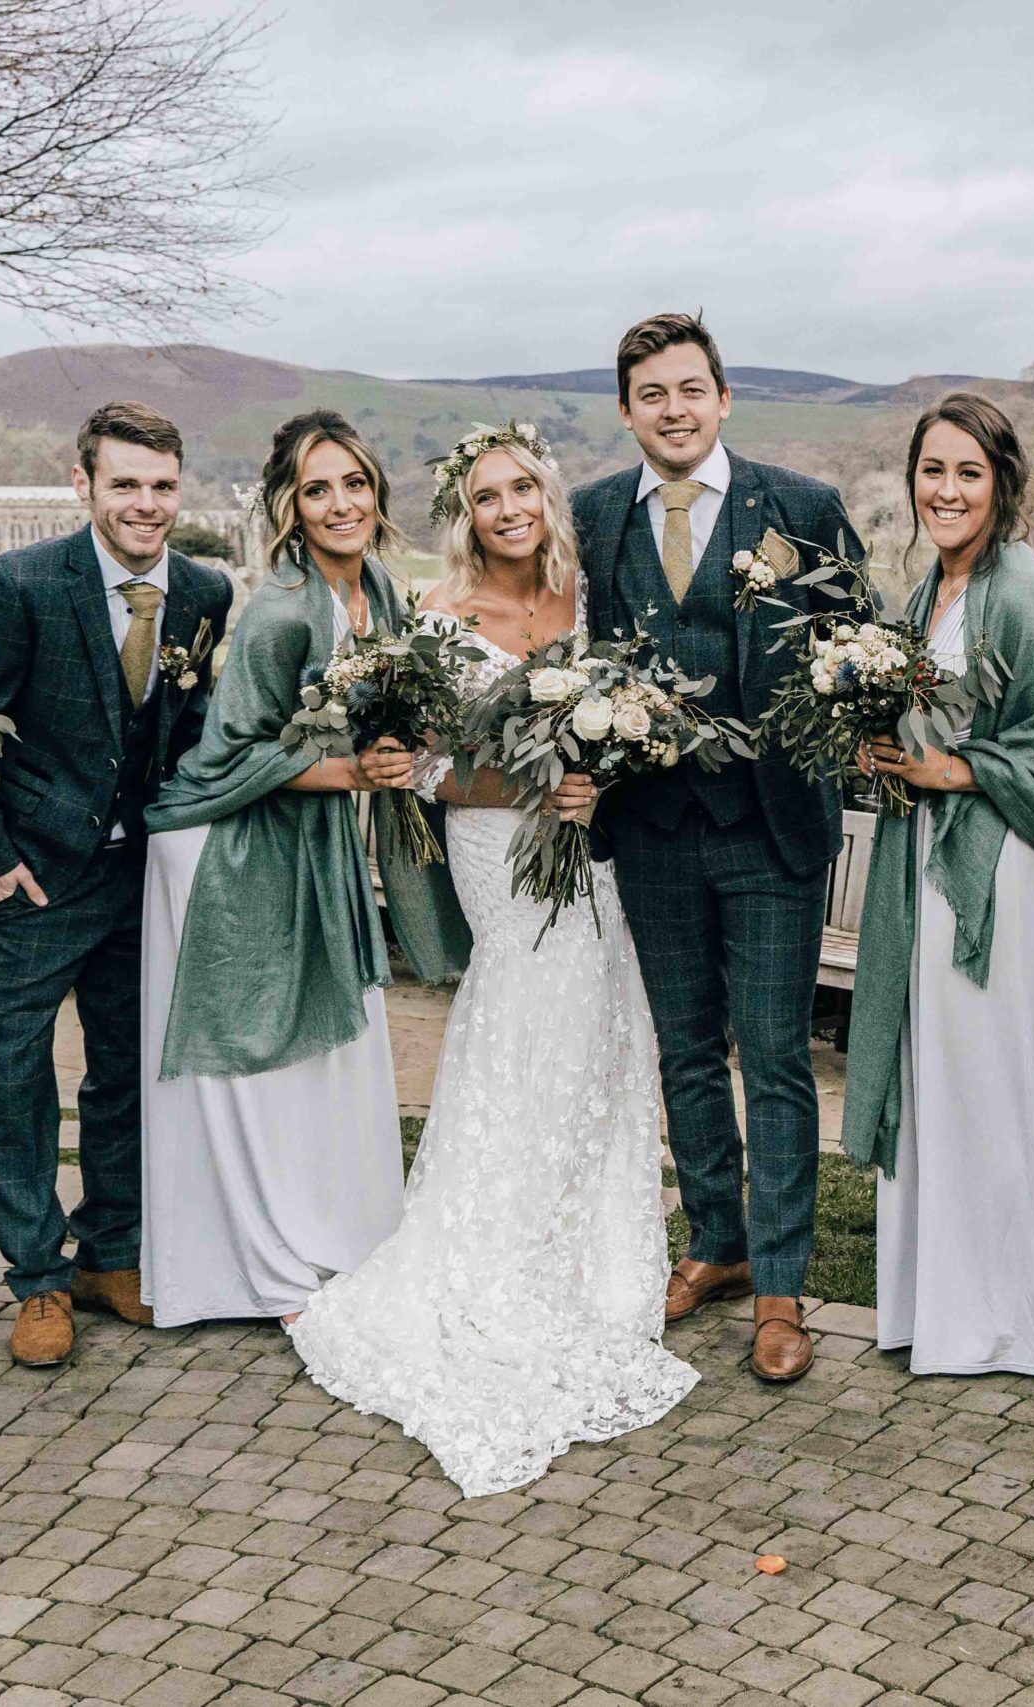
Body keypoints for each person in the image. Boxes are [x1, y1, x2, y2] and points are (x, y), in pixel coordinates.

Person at [292, 422, 698, 1493]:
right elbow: (419, 767)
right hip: (497, 846)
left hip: (590, 845)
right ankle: (500, 1248)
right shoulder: (441, 618)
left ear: (548, 496)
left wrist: (596, 777)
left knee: (607, 1022)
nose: (509, 508)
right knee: (531, 1010)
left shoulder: (594, 602)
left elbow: (634, 732)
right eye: (487, 497)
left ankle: (595, 1246)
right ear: (464, 517)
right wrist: (530, 789)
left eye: (523, 488)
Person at [574, 312, 865, 1383]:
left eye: (690, 389)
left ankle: (785, 1285)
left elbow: (854, 644)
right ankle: (718, 1244)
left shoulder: (802, 506)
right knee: (686, 1053)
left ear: (723, 397)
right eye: (652, 394)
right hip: (650, 831)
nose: (673, 409)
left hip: (771, 828)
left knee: (778, 1058)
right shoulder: (594, 514)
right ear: (626, 412)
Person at [138, 410, 462, 1329]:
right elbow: (232, 751)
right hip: (225, 843)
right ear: (289, 504)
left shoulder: (384, 596)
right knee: (258, 1059)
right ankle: (259, 1259)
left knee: (329, 1047)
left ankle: (332, 1234)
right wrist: (356, 770)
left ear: (376, 489)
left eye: (353, 482)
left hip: (310, 833)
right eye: (316, 489)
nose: (340, 503)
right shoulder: (283, 607)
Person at [0, 402, 234, 1368]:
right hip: (30, 878)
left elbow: (183, 735)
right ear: (85, 484)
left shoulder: (203, 590)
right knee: (20, 1077)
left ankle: (111, 1252)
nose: (145, 505)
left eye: (161, 485)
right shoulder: (18, 583)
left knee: (125, 1071)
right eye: (124, 485)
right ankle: (35, 1279)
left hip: (136, 875)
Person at [842, 393, 1034, 1377]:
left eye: (967, 472)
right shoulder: (929, 593)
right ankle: (946, 1303)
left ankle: (1007, 1315)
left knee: (991, 1077)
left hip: (994, 871)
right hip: (932, 861)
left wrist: (957, 770)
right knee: (948, 1080)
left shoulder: (1022, 586)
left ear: (1001, 483)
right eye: (932, 471)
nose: (946, 490)